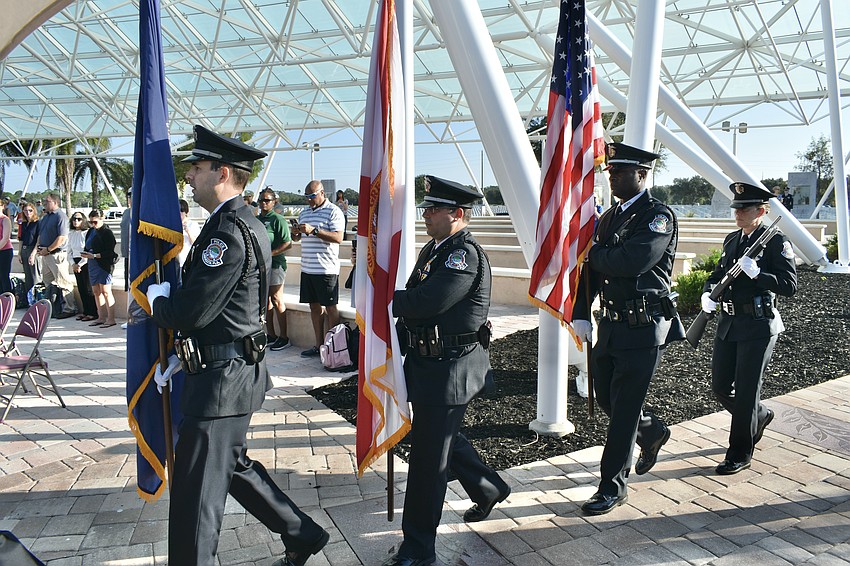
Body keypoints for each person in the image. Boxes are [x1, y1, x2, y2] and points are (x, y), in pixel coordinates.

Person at [145, 125, 328, 566]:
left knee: (197, 497)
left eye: (197, 167)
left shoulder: (226, 232)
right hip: (224, 372)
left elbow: (194, 312)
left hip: (222, 382)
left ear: (222, 172)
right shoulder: (239, 221)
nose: (189, 175)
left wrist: (159, 304)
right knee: (232, 468)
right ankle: (303, 534)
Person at [383, 176, 510, 566]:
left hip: (451, 369)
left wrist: (384, 298)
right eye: (426, 208)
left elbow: (428, 301)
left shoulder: (463, 255)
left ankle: (418, 548)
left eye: (433, 209)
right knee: (439, 440)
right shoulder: (435, 250)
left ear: (457, 214)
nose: (426, 214)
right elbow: (413, 298)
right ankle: (487, 487)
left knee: (428, 462)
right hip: (429, 364)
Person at [571, 142, 686, 516]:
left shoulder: (657, 216)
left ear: (642, 174)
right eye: (611, 172)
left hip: (644, 326)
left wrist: (596, 256)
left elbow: (633, 261)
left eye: (620, 172)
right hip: (613, 324)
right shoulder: (609, 218)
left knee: (622, 412)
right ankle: (652, 431)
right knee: (608, 398)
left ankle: (612, 486)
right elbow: (592, 269)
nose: (613, 176)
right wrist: (581, 312)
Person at [700, 182, 797, 475]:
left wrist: (758, 274)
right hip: (729, 323)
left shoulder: (776, 242)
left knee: (745, 391)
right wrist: (707, 293)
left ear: (762, 211)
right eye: (737, 208)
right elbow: (718, 274)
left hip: (758, 325)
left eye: (745, 208)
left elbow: (789, 285)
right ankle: (760, 414)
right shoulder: (732, 240)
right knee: (720, 386)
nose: (738, 213)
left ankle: (740, 452)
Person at [292, 180, 345, 357]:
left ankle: (334, 347)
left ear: (322, 193)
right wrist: (296, 234)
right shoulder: (304, 212)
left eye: (312, 196)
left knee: (330, 308)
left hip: (326, 269)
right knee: (314, 307)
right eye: (306, 197)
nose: (309, 200)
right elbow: (300, 239)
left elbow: (338, 238)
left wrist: (314, 231)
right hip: (308, 268)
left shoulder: (334, 211)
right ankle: (318, 345)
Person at [256, 187, 292, 350]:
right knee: (266, 301)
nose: (264, 203)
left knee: (277, 299)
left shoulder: (278, 220)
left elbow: (288, 243)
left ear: (274, 202)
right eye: (261, 200)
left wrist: (270, 254)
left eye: (267, 200)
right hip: (261, 266)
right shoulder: (257, 220)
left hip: (276, 264)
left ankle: (284, 337)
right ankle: (271, 334)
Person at [36, 193, 78, 318]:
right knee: (48, 282)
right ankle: (52, 307)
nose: (44, 203)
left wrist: (48, 249)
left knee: (64, 282)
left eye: (47, 201)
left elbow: (62, 238)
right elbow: (41, 234)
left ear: (55, 202)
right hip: (45, 255)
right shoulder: (46, 217)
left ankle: (70, 308)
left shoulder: (61, 217)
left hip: (56, 255)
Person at [82, 209, 118, 327]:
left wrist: (96, 255)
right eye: (91, 222)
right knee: (96, 291)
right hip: (92, 264)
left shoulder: (107, 232)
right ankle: (101, 316)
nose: (93, 225)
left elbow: (110, 251)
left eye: (95, 222)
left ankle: (111, 318)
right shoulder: (91, 231)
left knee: (106, 291)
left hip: (103, 264)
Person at [68, 212, 98, 321]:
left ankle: (93, 312)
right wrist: (73, 263)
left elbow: (88, 250)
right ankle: (86, 311)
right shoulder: (71, 233)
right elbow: (69, 251)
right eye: (74, 219)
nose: (76, 221)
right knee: (81, 288)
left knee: (88, 288)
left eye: (79, 219)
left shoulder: (87, 233)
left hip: (85, 262)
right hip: (75, 261)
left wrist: (80, 264)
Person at [18, 202, 42, 293]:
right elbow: (21, 239)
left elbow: (39, 239)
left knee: (35, 276)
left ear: (34, 211)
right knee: (27, 277)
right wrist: (19, 253)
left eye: (30, 210)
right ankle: (29, 300)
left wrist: (33, 253)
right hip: (24, 249)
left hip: (33, 250)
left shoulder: (38, 223)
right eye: (25, 210)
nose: (28, 212)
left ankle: (37, 299)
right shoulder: (23, 224)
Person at [178, 198, 201, 266]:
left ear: (186, 212)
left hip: (187, 259)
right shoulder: (173, 224)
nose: (179, 214)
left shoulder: (193, 224)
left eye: (181, 211)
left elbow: (196, 242)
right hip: (176, 260)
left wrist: (188, 231)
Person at [120, 191, 132, 293]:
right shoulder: (126, 212)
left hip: (138, 256)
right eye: (128, 196)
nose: (130, 198)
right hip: (127, 255)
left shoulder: (143, 211)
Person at [0, 206, 13, 294]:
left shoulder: (5, 219)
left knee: (4, 276)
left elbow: (5, 238)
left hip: (5, 251)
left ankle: (7, 299)